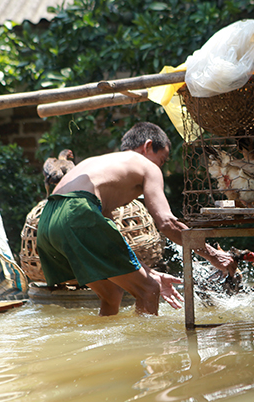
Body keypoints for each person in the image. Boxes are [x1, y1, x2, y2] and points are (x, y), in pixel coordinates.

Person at [36, 122, 237, 316]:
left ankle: (106, 349)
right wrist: (212, 255)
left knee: (112, 294)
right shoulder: (146, 166)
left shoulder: (99, 163)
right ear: (148, 146)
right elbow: (167, 223)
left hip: (47, 221)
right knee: (149, 290)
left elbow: (112, 242)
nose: (161, 167)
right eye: (162, 160)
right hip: (78, 212)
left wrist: (150, 272)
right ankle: (147, 349)